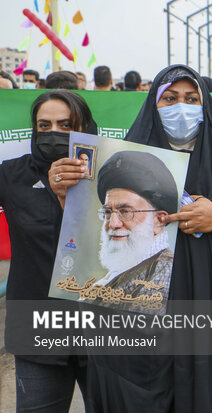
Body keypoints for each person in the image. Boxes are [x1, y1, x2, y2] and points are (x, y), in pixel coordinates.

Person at [59, 64, 212, 412]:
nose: (182, 107)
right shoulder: (122, 163)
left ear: (204, 106)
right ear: (153, 105)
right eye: (170, 99)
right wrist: (66, 192)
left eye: (192, 99)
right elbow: (89, 232)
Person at [1, 89, 96, 412]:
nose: (53, 133)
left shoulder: (114, 173)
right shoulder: (11, 175)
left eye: (66, 125)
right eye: (44, 126)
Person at [88, 151, 177, 312]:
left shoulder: (165, 270)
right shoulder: (116, 273)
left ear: (159, 220)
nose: (113, 224)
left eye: (126, 212)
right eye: (108, 213)